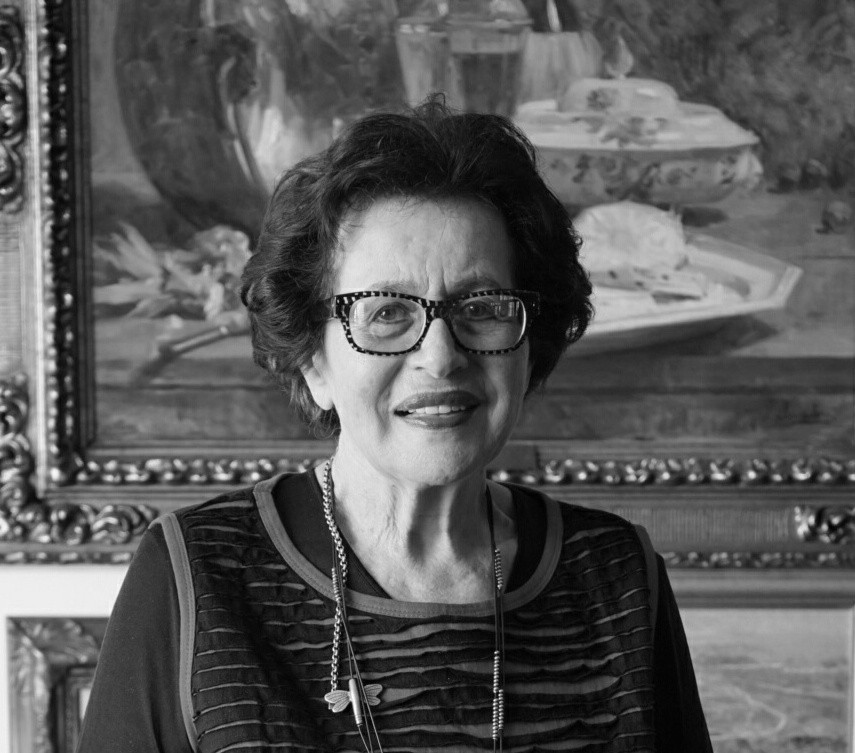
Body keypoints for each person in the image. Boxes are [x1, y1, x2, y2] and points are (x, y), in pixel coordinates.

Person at [76, 97, 712, 752]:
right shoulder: (197, 574)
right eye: (385, 313)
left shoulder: (615, 574)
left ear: (529, 344)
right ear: (313, 359)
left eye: (481, 306)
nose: (440, 355)